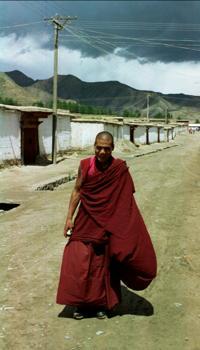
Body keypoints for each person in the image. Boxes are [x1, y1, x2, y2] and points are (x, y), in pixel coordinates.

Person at [56, 131, 157, 319]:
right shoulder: (85, 165)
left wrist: (123, 230)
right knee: (79, 261)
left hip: (108, 224)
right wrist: (69, 218)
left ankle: (101, 305)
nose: (102, 152)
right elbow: (77, 190)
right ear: (94, 146)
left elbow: (125, 202)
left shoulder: (119, 169)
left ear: (113, 148)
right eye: (99, 147)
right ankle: (80, 304)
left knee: (103, 264)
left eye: (107, 148)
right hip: (86, 220)